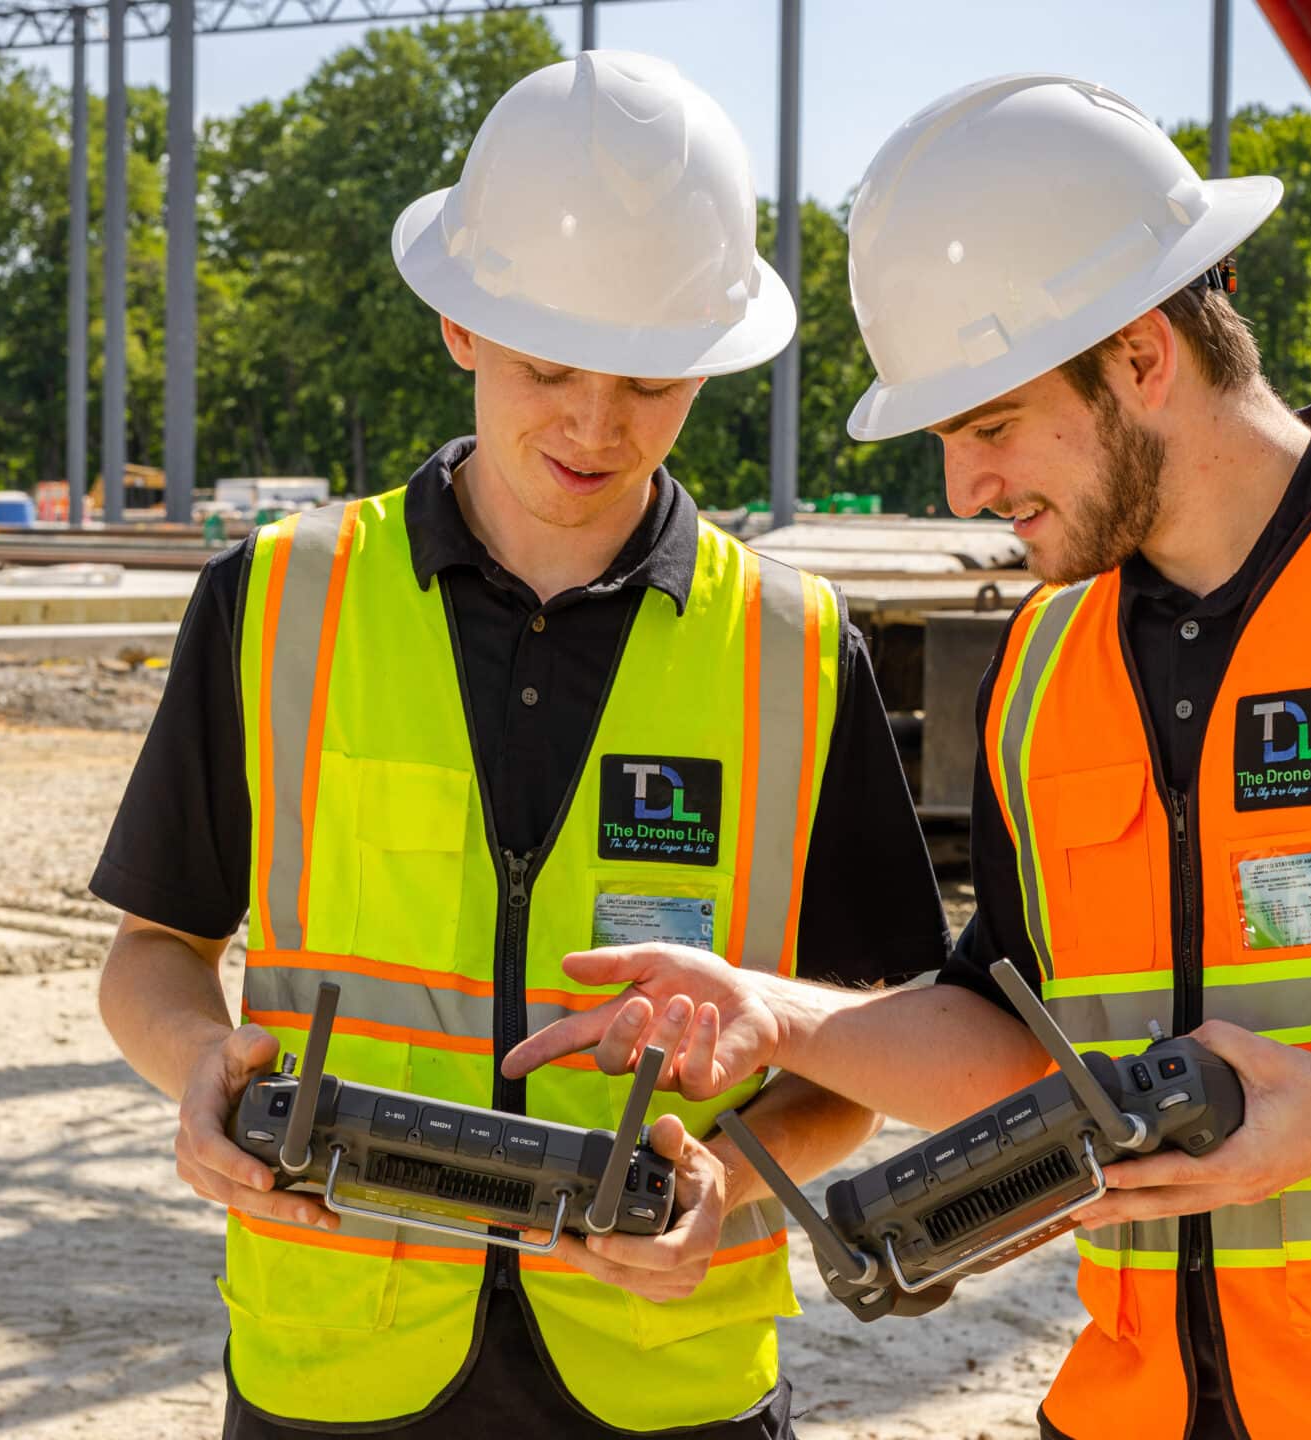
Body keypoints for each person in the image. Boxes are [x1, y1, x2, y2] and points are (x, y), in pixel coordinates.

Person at [501, 73, 1311, 1440]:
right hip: (1145, 1410)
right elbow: (1018, 1044)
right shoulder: (1043, 666)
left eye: (991, 424)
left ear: (1140, 356)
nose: (965, 487)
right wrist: (778, 1016)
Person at [90, 52, 948, 1440]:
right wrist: (196, 1062)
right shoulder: (276, 603)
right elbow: (153, 955)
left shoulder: (794, 649)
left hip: (665, 1376)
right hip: (340, 1366)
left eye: (654, 381)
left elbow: (862, 1055)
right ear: (458, 326)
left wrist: (727, 1185)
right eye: (551, 367)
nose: (597, 427)